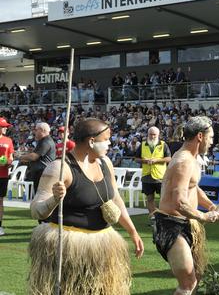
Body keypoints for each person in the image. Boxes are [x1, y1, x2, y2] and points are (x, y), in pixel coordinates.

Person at [28, 118, 144, 295]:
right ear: (91, 141)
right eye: (106, 139)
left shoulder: (106, 163)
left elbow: (116, 198)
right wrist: (54, 199)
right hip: (70, 250)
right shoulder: (60, 168)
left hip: (102, 245)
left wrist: (132, 231)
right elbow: (36, 210)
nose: (109, 143)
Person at [153, 116, 219, 295]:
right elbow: (180, 202)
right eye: (211, 137)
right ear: (200, 136)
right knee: (187, 283)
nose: (212, 142)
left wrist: (211, 206)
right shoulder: (183, 161)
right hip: (170, 226)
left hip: (186, 224)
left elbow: (193, 187)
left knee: (195, 277)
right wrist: (203, 216)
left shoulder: (192, 158)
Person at [135, 126, 172, 214]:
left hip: (160, 177)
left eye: (154, 135)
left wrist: (157, 160)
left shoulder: (163, 144)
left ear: (158, 135)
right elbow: (136, 159)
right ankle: (153, 217)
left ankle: (163, 217)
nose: (152, 136)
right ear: (147, 135)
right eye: (150, 134)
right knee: (149, 198)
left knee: (163, 198)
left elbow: (169, 158)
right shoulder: (143, 144)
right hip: (147, 175)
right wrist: (145, 161)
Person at [21, 122, 56, 195]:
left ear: (42, 130)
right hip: (40, 172)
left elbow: (34, 157)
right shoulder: (43, 141)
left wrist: (20, 156)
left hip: (42, 172)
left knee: (39, 196)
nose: (35, 132)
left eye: (36, 130)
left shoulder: (46, 141)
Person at [0, 117, 14, 236]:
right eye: (3, 126)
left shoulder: (8, 140)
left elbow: (11, 156)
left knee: (0, 201)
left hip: (3, 175)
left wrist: (9, 162)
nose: (5, 128)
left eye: (5, 126)